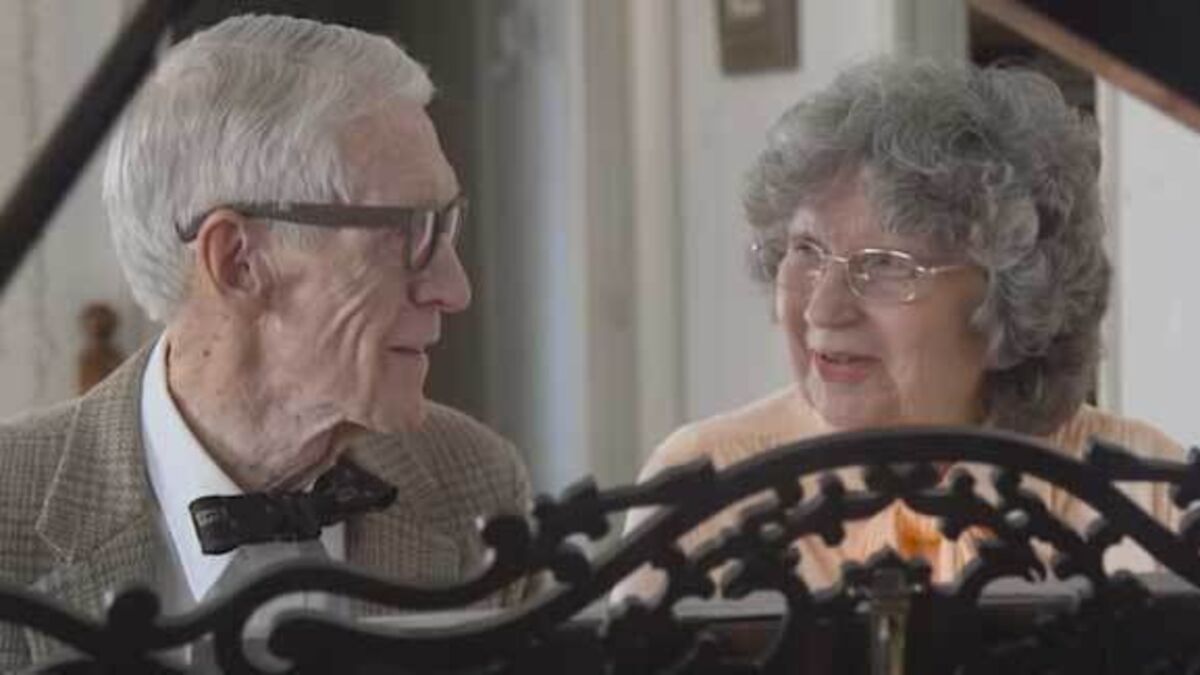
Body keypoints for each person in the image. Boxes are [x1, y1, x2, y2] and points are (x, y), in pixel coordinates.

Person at [0, 14, 533, 669]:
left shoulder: (474, 485)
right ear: (238, 261)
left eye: (446, 226)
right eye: (410, 233)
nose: (454, 289)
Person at [612, 58, 1183, 601]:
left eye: (886, 264)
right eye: (806, 249)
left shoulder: (1150, 498)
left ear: (1011, 294)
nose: (822, 310)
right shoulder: (703, 490)